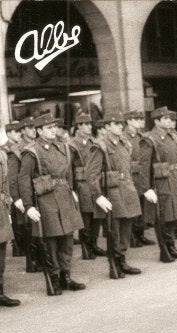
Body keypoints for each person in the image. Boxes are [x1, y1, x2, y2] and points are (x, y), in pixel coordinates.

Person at [18, 113, 86, 295]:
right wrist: (28, 206)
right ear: (39, 130)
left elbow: (69, 171)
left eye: (54, 127)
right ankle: (54, 277)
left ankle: (66, 276)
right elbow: (23, 180)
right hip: (46, 199)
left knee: (67, 239)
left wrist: (72, 190)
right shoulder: (32, 152)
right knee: (51, 242)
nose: (53, 130)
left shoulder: (64, 146)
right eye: (48, 128)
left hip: (64, 196)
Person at [85, 112, 143, 278]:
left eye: (120, 123)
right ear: (107, 126)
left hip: (127, 188)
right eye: (115, 123)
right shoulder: (100, 146)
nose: (119, 126)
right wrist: (97, 195)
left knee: (127, 225)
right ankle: (114, 261)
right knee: (114, 229)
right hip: (112, 191)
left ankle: (122, 259)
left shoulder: (124, 142)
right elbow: (91, 174)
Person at [139, 106, 177, 262]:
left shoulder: (173, 136)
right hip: (160, 181)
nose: (169, 121)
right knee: (163, 216)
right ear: (157, 121)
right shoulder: (149, 139)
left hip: (175, 178)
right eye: (166, 119)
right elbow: (144, 165)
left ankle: (171, 245)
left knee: (174, 214)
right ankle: (165, 249)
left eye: (170, 118)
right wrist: (146, 188)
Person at [69, 114, 107, 260]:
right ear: (78, 126)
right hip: (81, 184)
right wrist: (72, 189)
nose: (89, 126)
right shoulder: (73, 145)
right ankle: (86, 247)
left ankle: (94, 244)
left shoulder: (93, 142)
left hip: (94, 182)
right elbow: (70, 169)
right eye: (85, 124)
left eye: (90, 124)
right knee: (86, 217)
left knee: (96, 215)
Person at [124, 110, 156, 248]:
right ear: (129, 121)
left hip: (142, 177)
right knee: (131, 207)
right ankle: (131, 236)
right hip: (129, 177)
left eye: (140, 119)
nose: (139, 121)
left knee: (142, 206)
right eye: (136, 119)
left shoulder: (141, 137)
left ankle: (140, 234)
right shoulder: (123, 137)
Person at [0, 122, 21, 306]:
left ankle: (0, 292)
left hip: (0, 208)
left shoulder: (2, 156)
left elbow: (5, 184)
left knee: (1, 251)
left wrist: (7, 208)